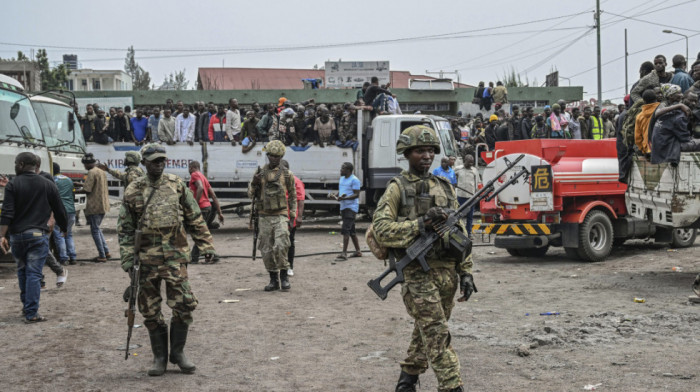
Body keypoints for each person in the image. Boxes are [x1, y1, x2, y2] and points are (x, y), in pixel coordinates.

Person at [372, 125, 475, 392]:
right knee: (438, 335)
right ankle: (452, 387)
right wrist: (420, 225)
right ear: (407, 153)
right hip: (417, 273)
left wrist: (466, 272)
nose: (426, 156)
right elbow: (381, 229)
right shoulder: (397, 187)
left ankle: (406, 382)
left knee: (427, 331)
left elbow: (460, 233)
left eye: (430, 150)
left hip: (447, 274)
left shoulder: (444, 186)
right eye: (420, 151)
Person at [118, 143, 215, 376]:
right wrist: (128, 261)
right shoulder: (133, 190)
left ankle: (178, 353)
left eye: (162, 160)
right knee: (150, 310)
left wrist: (206, 245)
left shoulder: (177, 185)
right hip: (146, 260)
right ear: (144, 162)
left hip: (174, 257)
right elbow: (125, 229)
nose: (159, 164)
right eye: (154, 161)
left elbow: (194, 217)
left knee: (184, 305)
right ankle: (160, 356)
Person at [0, 152, 68, 323]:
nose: (15, 166)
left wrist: (1, 235)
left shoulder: (13, 185)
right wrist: (64, 228)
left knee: (22, 271)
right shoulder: (47, 184)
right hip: (38, 236)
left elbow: (7, 212)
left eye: (16, 163)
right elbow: (60, 209)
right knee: (34, 273)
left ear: (22, 164)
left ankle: (27, 308)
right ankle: (32, 313)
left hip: (17, 237)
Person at [247, 140, 296, 292]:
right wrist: (254, 184)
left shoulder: (287, 175)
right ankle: (273, 278)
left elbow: (293, 195)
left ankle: (284, 276)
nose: (274, 158)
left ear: (281, 157)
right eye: (272, 156)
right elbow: (250, 195)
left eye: (277, 156)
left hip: (280, 214)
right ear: (267, 155)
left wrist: (293, 213)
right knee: (266, 249)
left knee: (282, 245)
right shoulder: (259, 173)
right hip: (264, 216)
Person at [188, 161, 223, 264]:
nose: (189, 171)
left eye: (189, 168)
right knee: (202, 232)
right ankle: (200, 256)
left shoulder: (195, 175)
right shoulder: (203, 177)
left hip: (201, 208)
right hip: (208, 208)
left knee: (198, 232)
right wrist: (220, 212)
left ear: (192, 167)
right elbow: (213, 195)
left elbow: (200, 188)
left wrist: (195, 204)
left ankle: (202, 256)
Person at [81, 153, 110, 262]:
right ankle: (106, 251)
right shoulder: (101, 171)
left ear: (88, 164)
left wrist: (73, 190)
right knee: (97, 229)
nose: (84, 167)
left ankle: (102, 255)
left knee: (95, 230)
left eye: (85, 165)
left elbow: (87, 190)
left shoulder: (91, 172)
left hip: (94, 206)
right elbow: (95, 186)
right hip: (103, 204)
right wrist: (81, 185)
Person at [331, 162, 362, 261]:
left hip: (351, 208)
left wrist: (345, 198)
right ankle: (358, 251)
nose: (341, 170)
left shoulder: (355, 180)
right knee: (352, 231)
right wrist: (335, 195)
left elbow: (356, 195)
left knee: (346, 230)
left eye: (343, 168)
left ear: (348, 170)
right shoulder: (342, 178)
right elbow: (341, 190)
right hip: (344, 207)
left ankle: (344, 253)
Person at [281, 160, 304, 276]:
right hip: (278, 216)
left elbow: (300, 200)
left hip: (291, 217)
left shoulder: (295, 181)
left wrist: (299, 216)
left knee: (289, 242)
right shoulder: (276, 180)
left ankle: (290, 266)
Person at [52, 163, 77, 266]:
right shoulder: (68, 179)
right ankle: (73, 256)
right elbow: (73, 194)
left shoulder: (52, 181)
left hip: (59, 211)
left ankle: (64, 258)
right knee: (69, 234)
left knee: (59, 234)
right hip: (71, 210)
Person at [454, 155, 480, 238]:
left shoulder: (474, 170)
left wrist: (476, 195)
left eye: (472, 162)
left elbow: (477, 183)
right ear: (464, 161)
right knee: (458, 215)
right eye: (469, 162)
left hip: (471, 197)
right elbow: (453, 179)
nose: (471, 164)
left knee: (470, 216)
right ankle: (459, 233)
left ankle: (469, 233)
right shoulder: (458, 169)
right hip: (460, 196)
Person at [635, 89, 660, 154]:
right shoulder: (662, 110)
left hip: (647, 149)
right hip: (661, 148)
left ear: (644, 101)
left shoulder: (639, 116)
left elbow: (637, 138)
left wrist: (643, 149)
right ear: (656, 98)